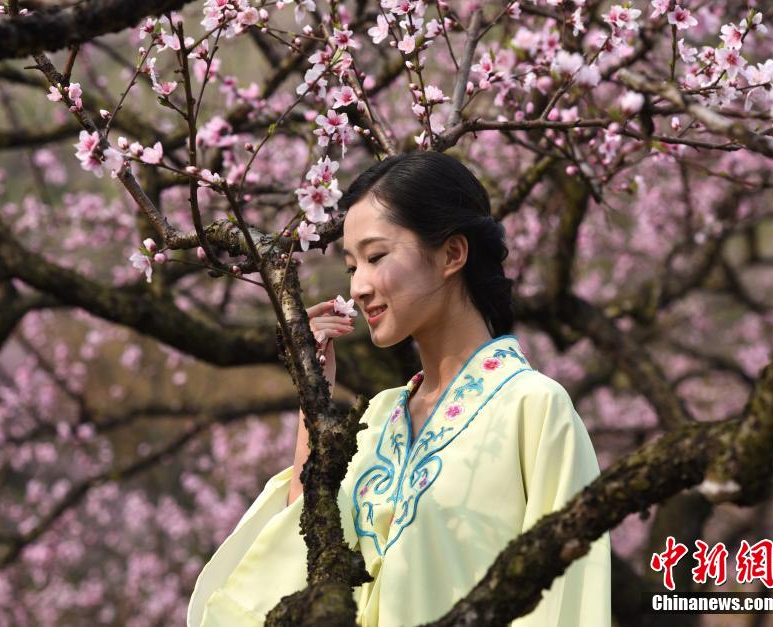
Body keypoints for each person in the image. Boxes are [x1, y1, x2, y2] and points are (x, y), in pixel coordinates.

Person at [186, 152, 611, 626]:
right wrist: (314, 396)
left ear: (452, 254)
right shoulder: (373, 421)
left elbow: (569, 597)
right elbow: (302, 558)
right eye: (352, 267)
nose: (361, 286)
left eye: (376, 257)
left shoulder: (532, 408)